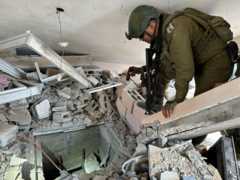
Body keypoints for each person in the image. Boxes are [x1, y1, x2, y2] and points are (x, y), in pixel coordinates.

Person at [125, 5, 234, 118]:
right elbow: (164, 63)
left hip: (215, 60)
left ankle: (232, 133)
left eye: (142, 36)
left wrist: (177, 100)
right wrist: (142, 70)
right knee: (160, 73)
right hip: (200, 64)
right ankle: (154, 106)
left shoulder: (176, 30)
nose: (143, 40)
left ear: (151, 25)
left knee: (202, 106)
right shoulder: (164, 34)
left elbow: (185, 69)